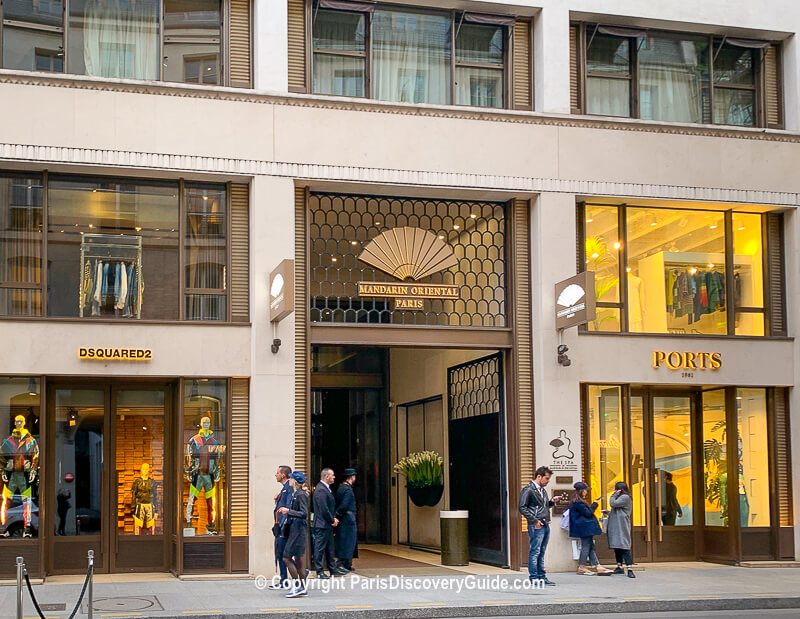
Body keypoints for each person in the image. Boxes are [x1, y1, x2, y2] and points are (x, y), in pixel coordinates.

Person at [519, 465, 556, 586]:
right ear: (539, 477)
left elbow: (541, 507)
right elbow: (522, 507)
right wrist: (534, 521)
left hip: (544, 523)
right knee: (535, 551)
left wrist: (551, 502)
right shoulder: (528, 490)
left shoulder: (542, 490)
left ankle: (541, 576)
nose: (547, 481)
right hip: (536, 524)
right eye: (546, 478)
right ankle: (534, 577)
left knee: (541, 551)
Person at [277, 471, 309, 598]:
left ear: (294, 481)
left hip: (298, 530)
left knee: (286, 557)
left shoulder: (300, 495)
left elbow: (304, 513)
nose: (289, 481)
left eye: (291, 479)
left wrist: (288, 511)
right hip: (297, 529)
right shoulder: (298, 493)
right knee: (299, 560)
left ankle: (297, 586)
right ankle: (302, 588)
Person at [569, 482, 612, 575]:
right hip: (584, 527)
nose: (586, 492)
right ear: (581, 491)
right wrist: (594, 505)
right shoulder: (578, 502)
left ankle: (597, 565)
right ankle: (582, 566)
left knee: (590, 546)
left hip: (584, 527)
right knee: (586, 546)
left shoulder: (576, 501)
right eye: (585, 490)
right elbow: (588, 513)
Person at [312, 468, 346, 578]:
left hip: (326, 524)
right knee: (320, 548)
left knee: (329, 548)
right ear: (326, 477)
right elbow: (323, 508)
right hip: (322, 524)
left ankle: (332, 569)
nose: (334, 477)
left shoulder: (326, 488)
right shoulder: (321, 489)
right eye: (332, 475)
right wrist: (332, 520)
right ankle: (319, 571)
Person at [270, 465, 293, 589]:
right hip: (279, 526)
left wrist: (283, 526)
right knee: (281, 554)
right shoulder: (284, 488)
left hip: (283, 528)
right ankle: (283, 579)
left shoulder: (288, 487)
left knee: (283, 554)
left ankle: (299, 572)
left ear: (283, 475)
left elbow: (288, 507)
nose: (275, 475)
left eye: (277, 472)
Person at [606, 481, 635, 578]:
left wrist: (613, 494)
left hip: (621, 526)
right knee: (617, 546)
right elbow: (617, 509)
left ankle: (629, 568)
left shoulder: (625, 497)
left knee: (624, 546)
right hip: (617, 525)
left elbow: (613, 503)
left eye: (616, 489)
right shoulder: (622, 498)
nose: (615, 491)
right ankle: (619, 566)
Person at [334, 468, 358, 572]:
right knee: (349, 541)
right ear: (352, 477)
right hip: (348, 519)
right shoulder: (348, 490)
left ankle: (346, 564)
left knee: (345, 540)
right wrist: (338, 514)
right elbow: (344, 505)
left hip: (344, 519)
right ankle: (343, 564)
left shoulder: (341, 488)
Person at [131, 463, 157, 535]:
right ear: (141, 470)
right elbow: (133, 496)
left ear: (149, 470)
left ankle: (151, 539)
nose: (145, 470)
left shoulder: (152, 482)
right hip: (140, 505)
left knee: (151, 525)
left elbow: (155, 496)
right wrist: (132, 510)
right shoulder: (137, 482)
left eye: (147, 469)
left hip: (149, 505)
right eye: (143, 469)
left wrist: (156, 511)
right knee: (138, 525)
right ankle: (137, 540)